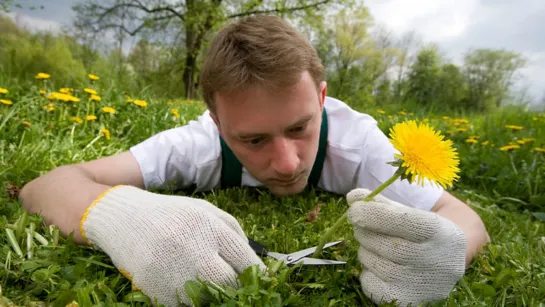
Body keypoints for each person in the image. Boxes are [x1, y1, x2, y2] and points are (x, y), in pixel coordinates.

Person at [19, 15, 490, 307]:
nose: (286, 163)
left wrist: (446, 250)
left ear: (322, 97)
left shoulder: (361, 143)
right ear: (216, 122)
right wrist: (121, 217)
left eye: (300, 128)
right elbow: (46, 185)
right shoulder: (194, 145)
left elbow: (464, 220)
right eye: (254, 139)